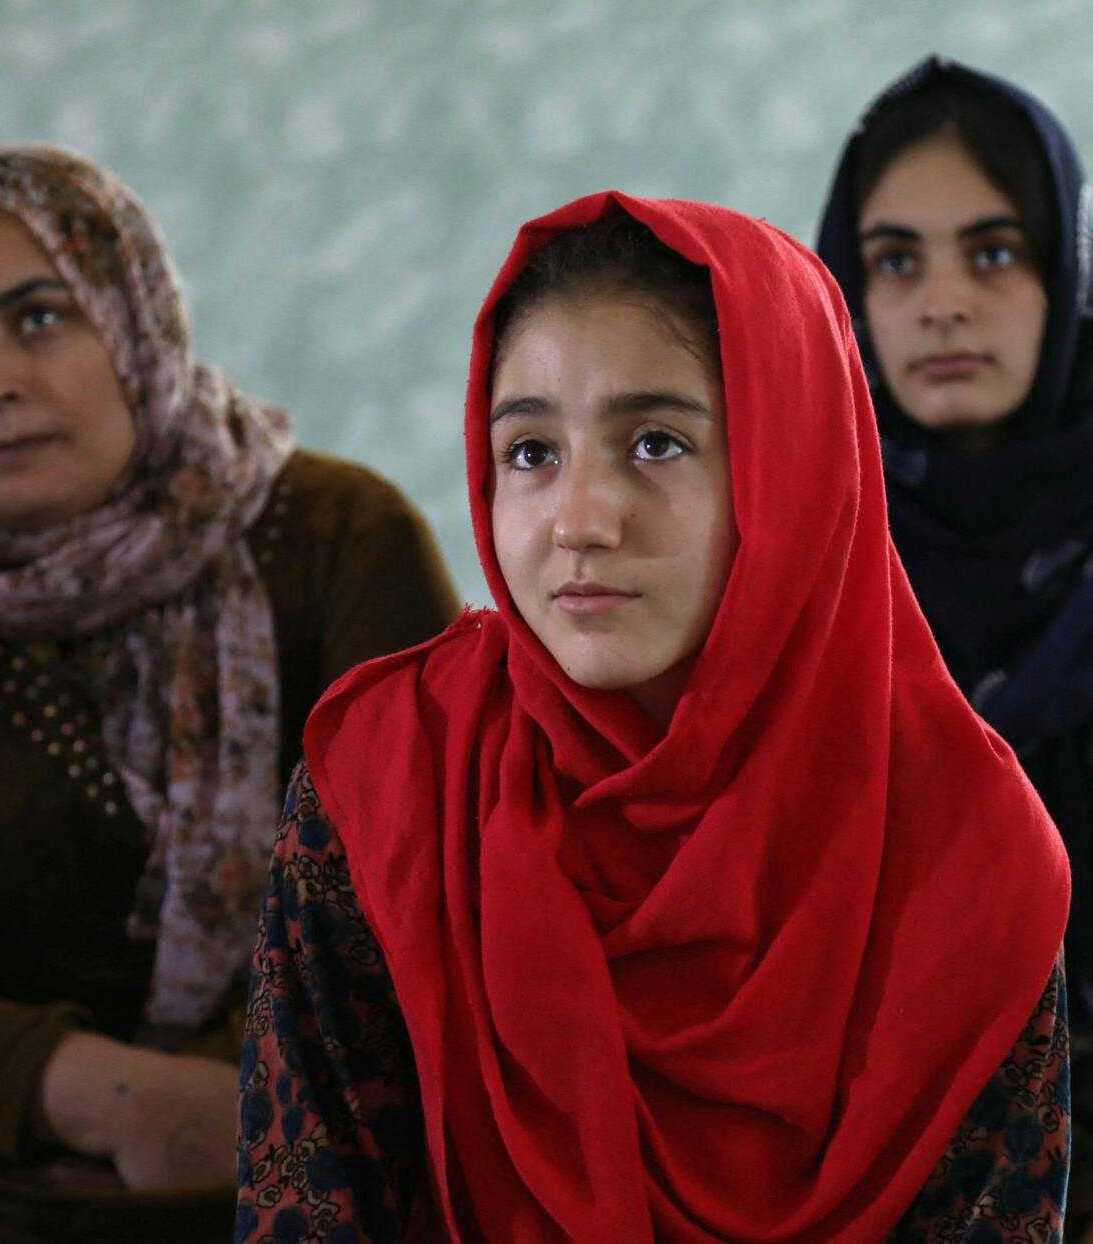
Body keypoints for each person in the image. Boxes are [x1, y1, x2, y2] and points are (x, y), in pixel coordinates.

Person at [236, 195, 1071, 1242]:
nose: (580, 520)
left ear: (797, 467)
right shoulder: (392, 777)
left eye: (656, 443)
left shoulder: (968, 857)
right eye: (530, 452)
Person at [0, 144, 459, 1243]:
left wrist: (231, 1097)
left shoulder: (335, 538)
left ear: (134, 317)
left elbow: (418, 900)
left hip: (294, 1119)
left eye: (39, 318)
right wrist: (92, 1094)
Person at [815, 54, 1093, 1232]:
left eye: (990, 251)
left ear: (1060, 264)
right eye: (893, 260)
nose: (940, 301)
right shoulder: (782, 548)